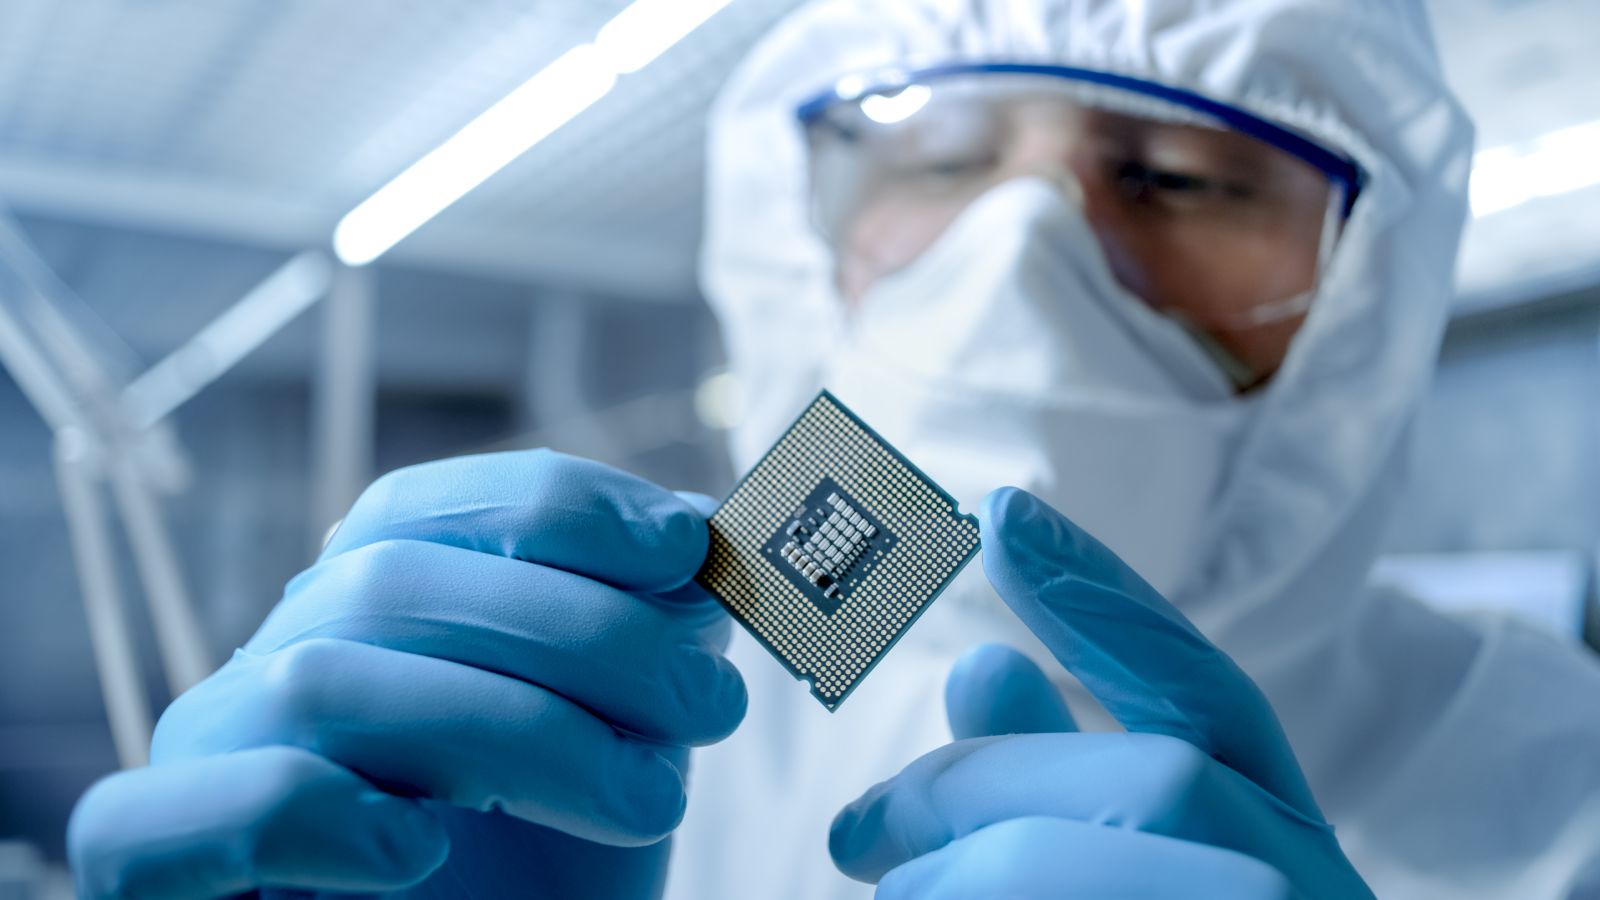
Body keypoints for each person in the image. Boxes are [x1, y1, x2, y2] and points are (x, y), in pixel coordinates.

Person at [66, 0, 1600, 898]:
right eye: (936, 163)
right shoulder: (638, 726)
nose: (1022, 268)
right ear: (802, 245)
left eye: (1184, 183)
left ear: (1364, 294)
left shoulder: (1564, 801)